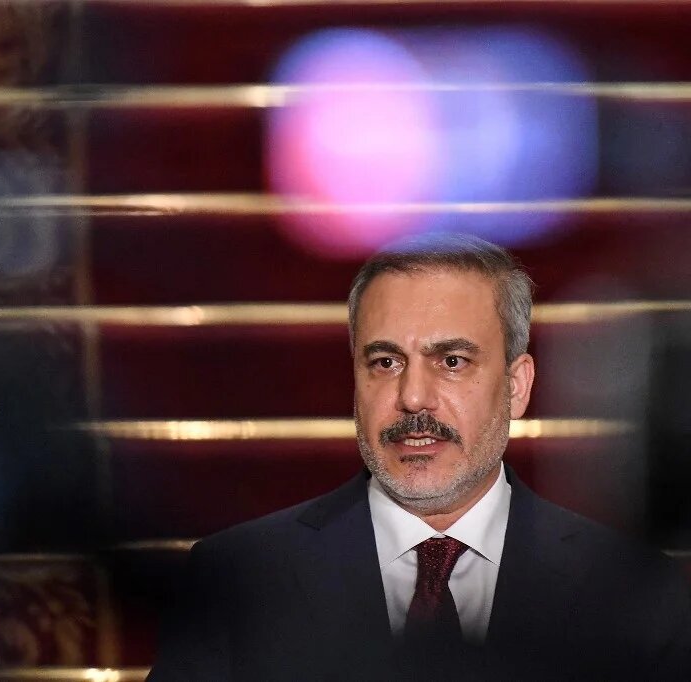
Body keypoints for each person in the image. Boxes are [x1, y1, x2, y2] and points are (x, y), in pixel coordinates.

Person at [149, 234, 691, 681]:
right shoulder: (237, 581)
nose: (412, 398)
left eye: (451, 361)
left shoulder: (635, 593)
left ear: (517, 386)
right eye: (385, 362)